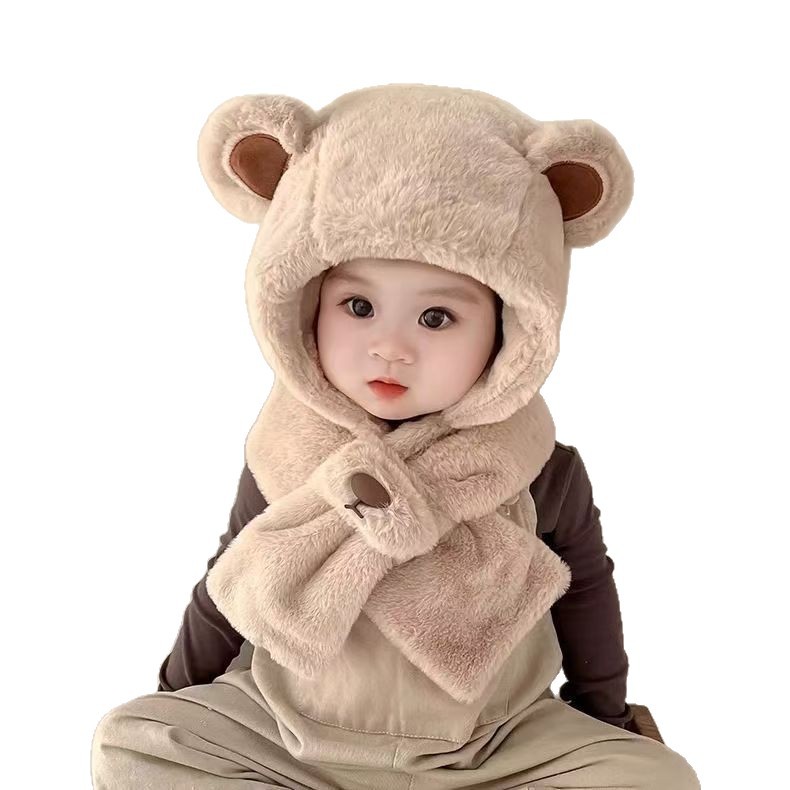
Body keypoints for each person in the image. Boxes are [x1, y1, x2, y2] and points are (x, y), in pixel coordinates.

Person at [91, 83, 700, 789]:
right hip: (291, 739)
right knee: (130, 743)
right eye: (358, 306)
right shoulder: (285, 449)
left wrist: (606, 715)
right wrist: (174, 697)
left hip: (492, 747)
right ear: (304, 309)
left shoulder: (537, 466)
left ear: (509, 334)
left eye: (436, 319)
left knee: (657, 779)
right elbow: (232, 578)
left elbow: (586, 591)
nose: (390, 347)